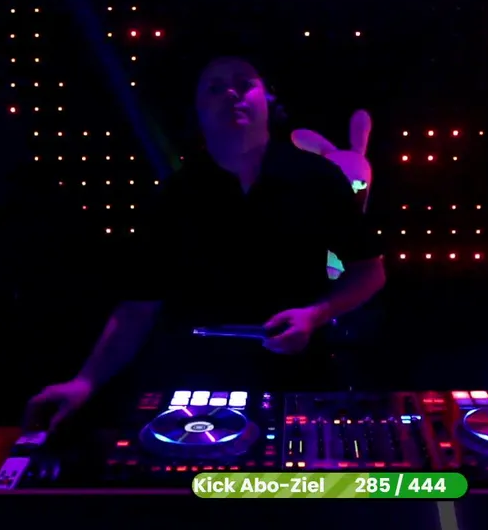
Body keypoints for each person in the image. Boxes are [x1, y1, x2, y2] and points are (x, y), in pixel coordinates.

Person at [25, 56, 386, 433]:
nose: (231, 93)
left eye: (244, 83)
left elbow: (370, 272)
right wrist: (85, 381)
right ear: (197, 109)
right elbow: (138, 307)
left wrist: (315, 314)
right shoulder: (175, 196)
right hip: (197, 388)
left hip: (301, 378)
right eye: (215, 87)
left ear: (268, 99)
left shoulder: (319, 177)